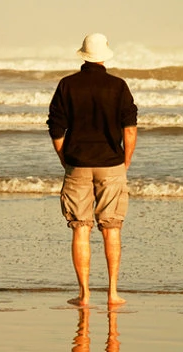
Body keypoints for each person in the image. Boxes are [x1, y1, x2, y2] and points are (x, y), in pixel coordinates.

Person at [47, 33, 138, 306]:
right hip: (111, 164)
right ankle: (112, 292)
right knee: (112, 228)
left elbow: (56, 128)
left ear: (83, 55)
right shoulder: (118, 86)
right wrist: (126, 160)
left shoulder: (67, 85)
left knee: (80, 229)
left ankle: (84, 294)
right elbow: (130, 129)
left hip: (78, 164)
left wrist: (64, 157)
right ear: (105, 56)